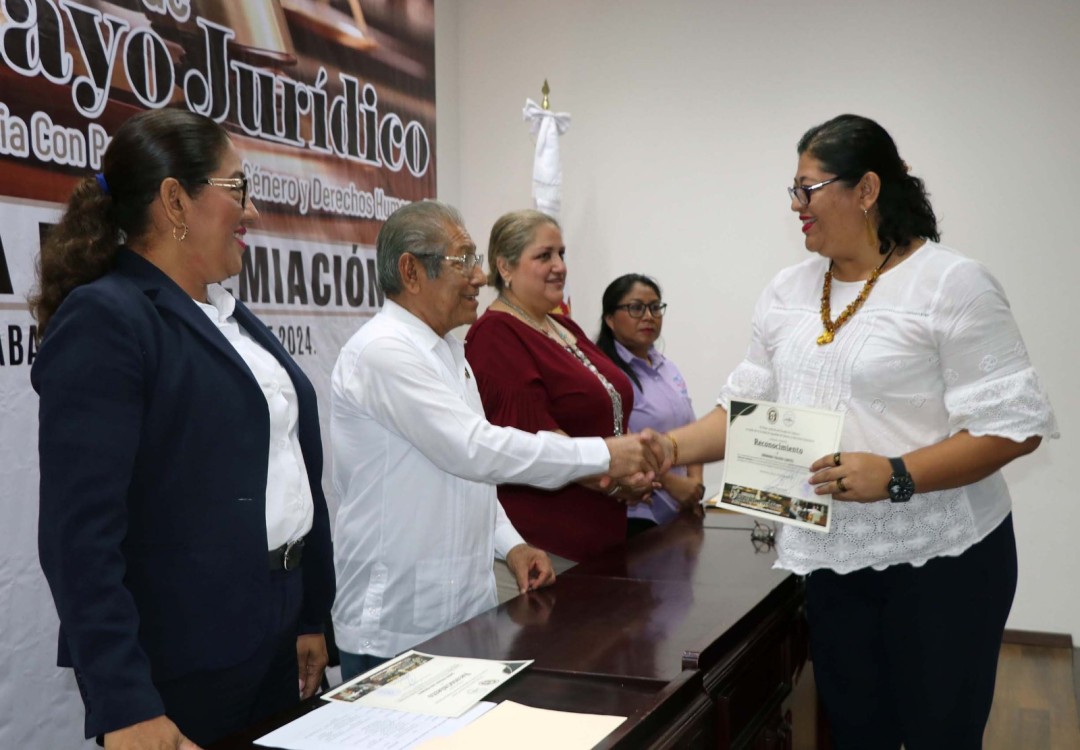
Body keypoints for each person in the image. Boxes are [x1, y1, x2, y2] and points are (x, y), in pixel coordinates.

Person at [658, 114, 1057, 749]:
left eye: (808, 189)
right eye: (792, 190)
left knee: (939, 737)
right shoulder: (787, 292)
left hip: (944, 562)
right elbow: (745, 408)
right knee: (856, 734)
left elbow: (1014, 428)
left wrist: (897, 474)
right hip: (833, 559)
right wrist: (666, 449)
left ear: (866, 189)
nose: (797, 207)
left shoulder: (950, 283)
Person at [29, 109, 335, 749]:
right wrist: (124, 703)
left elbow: (287, 468)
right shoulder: (108, 317)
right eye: (237, 190)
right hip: (183, 663)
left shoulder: (228, 314)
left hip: (274, 637)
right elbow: (78, 537)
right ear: (175, 200)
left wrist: (310, 614)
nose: (251, 213)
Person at [330, 200, 661, 680]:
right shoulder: (384, 352)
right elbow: (477, 449)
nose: (480, 277)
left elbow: (472, 476)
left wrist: (510, 545)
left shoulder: (448, 349)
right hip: (400, 623)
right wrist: (603, 453)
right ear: (411, 271)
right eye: (463, 260)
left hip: (464, 612)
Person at [465, 210, 642, 584]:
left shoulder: (560, 323)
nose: (560, 266)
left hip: (602, 537)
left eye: (561, 254)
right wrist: (619, 475)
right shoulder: (495, 335)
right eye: (544, 256)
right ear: (505, 266)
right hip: (547, 550)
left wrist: (630, 475)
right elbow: (533, 439)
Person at [596, 274, 705, 537]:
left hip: (682, 510)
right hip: (637, 514)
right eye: (636, 307)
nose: (648, 316)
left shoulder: (667, 367)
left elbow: (691, 428)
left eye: (655, 307)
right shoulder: (603, 374)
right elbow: (618, 442)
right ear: (610, 319)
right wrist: (673, 484)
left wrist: (695, 485)